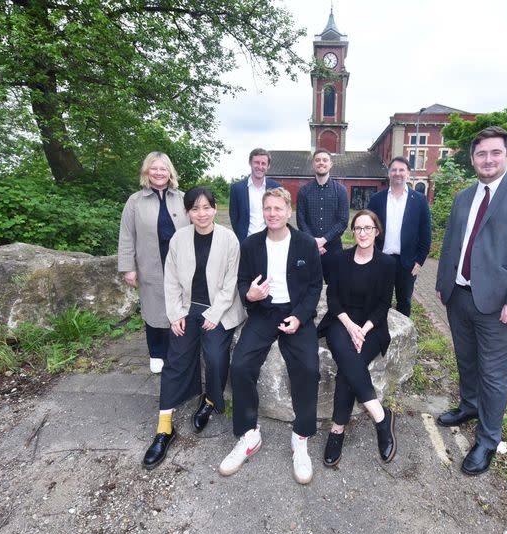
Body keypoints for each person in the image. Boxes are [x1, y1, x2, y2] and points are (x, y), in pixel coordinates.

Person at [435, 126, 507, 476]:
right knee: (466, 361)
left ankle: (487, 439)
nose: (488, 160)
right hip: (460, 297)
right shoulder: (463, 197)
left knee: (495, 375)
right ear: (472, 158)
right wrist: (442, 284)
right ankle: (469, 407)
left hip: (500, 305)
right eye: (481, 154)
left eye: (495, 153)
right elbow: (452, 242)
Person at [218, 187, 323, 484]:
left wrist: (300, 317)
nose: (273, 214)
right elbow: (241, 282)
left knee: (308, 367)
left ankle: (300, 437)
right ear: (263, 212)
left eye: (278, 208)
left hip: (295, 314)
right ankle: (249, 434)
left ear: (288, 211)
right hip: (264, 312)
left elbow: (316, 285)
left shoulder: (305, 244)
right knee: (240, 366)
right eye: (268, 209)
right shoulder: (250, 245)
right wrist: (249, 295)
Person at [141, 187, 246, 469]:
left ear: (214, 208)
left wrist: (215, 312)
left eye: (206, 207)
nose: (201, 213)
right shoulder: (179, 238)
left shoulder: (229, 239)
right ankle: (164, 428)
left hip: (219, 309)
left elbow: (231, 281)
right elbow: (171, 280)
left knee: (214, 356)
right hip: (188, 307)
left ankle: (210, 399)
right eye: (195, 208)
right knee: (176, 359)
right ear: (187, 212)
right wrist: (175, 314)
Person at [317, 209, 397, 467]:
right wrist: (351, 326)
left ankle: (337, 429)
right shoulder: (339, 259)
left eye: (368, 228)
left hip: (372, 328)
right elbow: (333, 298)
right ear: (354, 231)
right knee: (347, 354)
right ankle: (381, 418)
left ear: (377, 232)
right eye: (358, 228)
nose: (363, 233)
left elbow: (384, 304)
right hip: (341, 321)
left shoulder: (387, 264)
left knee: (347, 371)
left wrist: (363, 330)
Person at [118, 151, 189, 373]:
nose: (159, 173)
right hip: (150, 263)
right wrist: (128, 267)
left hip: (179, 264)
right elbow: (127, 235)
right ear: (147, 172)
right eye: (154, 168)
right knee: (154, 308)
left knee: (180, 305)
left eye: (163, 169)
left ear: (170, 172)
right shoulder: (135, 201)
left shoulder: (182, 198)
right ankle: (157, 352)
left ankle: (180, 350)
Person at [367, 156, 432, 317]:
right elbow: (368, 228)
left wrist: (420, 260)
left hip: (407, 262)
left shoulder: (419, 200)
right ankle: (379, 332)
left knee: (404, 301)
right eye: (394, 170)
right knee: (380, 300)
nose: (398, 173)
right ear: (389, 173)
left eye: (402, 170)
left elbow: (425, 233)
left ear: (408, 173)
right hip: (382, 259)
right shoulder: (377, 199)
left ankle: (404, 335)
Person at [295, 148, 349, 281]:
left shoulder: (341, 191)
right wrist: (314, 242)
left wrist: (323, 240)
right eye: (317, 160)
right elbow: (301, 221)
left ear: (331, 164)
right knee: (308, 289)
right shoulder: (304, 191)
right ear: (313, 164)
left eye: (325, 160)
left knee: (336, 290)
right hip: (309, 249)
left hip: (334, 250)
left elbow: (343, 221)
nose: (321, 163)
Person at [229, 148, 281, 242]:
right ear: (250, 163)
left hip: (270, 240)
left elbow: (279, 214)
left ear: (268, 166)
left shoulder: (276, 187)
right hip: (245, 242)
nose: (260, 166)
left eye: (263, 163)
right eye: (256, 162)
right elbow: (234, 216)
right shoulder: (237, 189)